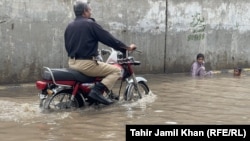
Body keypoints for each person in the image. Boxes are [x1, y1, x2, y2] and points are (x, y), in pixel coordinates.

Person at [64, 1, 136, 105]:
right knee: (116, 71)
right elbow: (109, 39)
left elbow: (68, 46)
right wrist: (126, 48)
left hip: (72, 62)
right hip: (87, 65)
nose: (91, 12)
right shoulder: (90, 24)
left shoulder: (69, 26)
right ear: (85, 11)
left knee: (102, 70)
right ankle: (96, 91)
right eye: (90, 9)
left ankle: (93, 97)